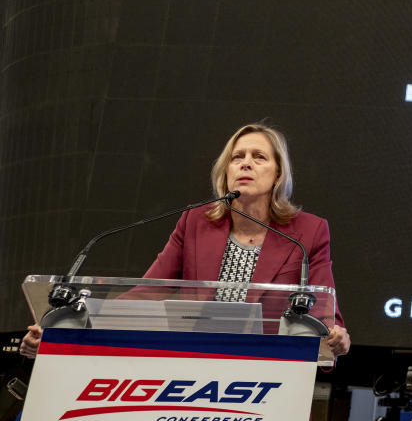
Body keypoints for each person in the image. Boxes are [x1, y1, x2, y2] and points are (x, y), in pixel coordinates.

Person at [20, 123, 350, 358]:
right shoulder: (195, 222)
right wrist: (72, 327)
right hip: (192, 362)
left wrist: (335, 334)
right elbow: (149, 292)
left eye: (259, 157)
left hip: (268, 366)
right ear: (226, 172)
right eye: (237, 157)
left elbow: (322, 304)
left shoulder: (307, 232)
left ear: (278, 174)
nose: (246, 162)